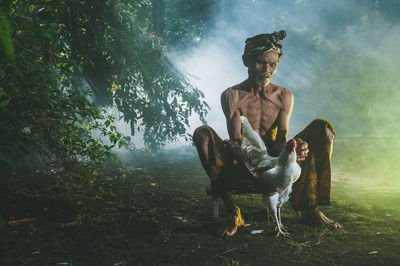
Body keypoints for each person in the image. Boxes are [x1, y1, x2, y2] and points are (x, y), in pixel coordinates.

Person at [193, 30, 341, 236]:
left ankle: (309, 208)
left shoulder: (284, 96)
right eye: (261, 63)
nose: (267, 70)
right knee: (202, 136)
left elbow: (280, 141)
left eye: (273, 65)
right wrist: (251, 168)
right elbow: (236, 142)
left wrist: (293, 151)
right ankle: (232, 211)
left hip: (273, 158)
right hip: (241, 159)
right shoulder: (232, 95)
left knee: (323, 130)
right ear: (246, 60)